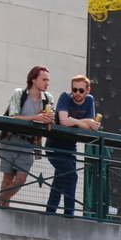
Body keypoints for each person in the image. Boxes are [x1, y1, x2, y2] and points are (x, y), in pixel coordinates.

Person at [0, 66, 55, 208]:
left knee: (21, 178)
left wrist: (50, 118)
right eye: (44, 80)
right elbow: (13, 116)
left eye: (48, 80)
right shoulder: (19, 93)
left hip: (29, 142)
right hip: (11, 137)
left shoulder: (47, 98)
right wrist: (36, 117)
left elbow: (51, 121)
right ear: (33, 79)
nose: (47, 83)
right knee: (8, 177)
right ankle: (4, 210)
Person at [44, 75, 99, 217]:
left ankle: (50, 213)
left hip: (70, 147)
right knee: (71, 176)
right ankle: (69, 214)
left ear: (87, 90)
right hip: (54, 145)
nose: (77, 93)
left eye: (81, 90)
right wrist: (85, 121)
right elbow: (63, 122)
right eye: (75, 90)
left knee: (60, 179)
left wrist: (75, 121)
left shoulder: (89, 100)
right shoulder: (65, 97)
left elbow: (90, 128)